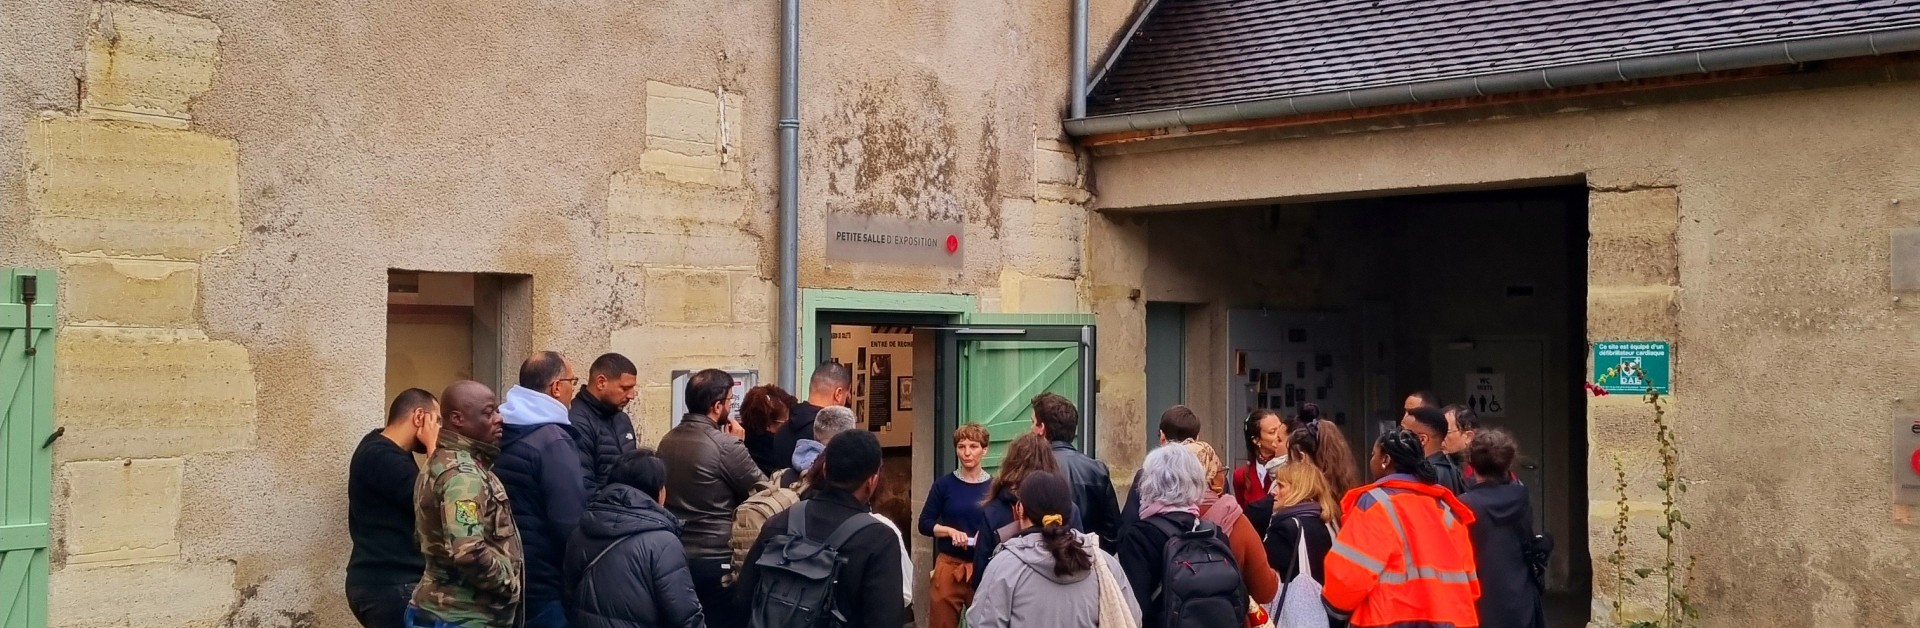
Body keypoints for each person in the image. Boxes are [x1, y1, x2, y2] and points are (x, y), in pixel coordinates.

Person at [737, 431, 904, 628]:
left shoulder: (780, 521)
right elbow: (885, 620)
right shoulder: (879, 540)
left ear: (824, 469)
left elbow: (742, 599)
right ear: (872, 482)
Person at [1322, 430, 1479, 628]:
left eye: (1373, 454)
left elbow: (1347, 577)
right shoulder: (1446, 510)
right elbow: (1470, 584)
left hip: (1387, 619)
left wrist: (1333, 613)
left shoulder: (1375, 504)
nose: (1371, 460)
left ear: (1385, 460)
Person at [411, 380, 523, 628]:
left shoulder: (441, 461)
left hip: (442, 612)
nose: (499, 418)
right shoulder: (464, 475)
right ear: (457, 419)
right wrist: (509, 584)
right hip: (464, 616)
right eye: (488, 412)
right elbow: (469, 552)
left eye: (496, 410)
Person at [657, 368, 764, 627]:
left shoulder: (666, 440)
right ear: (717, 406)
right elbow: (761, 489)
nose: (731, 406)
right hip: (716, 556)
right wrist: (740, 445)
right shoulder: (726, 445)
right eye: (730, 401)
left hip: (676, 552)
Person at [967, 470, 1141, 628]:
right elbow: (1131, 618)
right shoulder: (1104, 564)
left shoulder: (1004, 568)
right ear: (1069, 511)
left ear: (1020, 509)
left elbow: (981, 623)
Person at [496, 352, 589, 628]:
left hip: (507, 571)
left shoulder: (502, 427)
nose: (574, 389)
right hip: (545, 580)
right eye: (572, 381)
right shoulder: (553, 441)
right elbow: (568, 520)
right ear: (556, 387)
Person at [563, 449, 704, 628]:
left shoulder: (580, 532)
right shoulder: (664, 544)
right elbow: (686, 617)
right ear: (659, 492)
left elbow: (569, 599)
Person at [1117, 444, 1245, 627]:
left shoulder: (1139, 537)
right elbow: (1240, 600)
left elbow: (1135, 612)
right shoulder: (1214, 534)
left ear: (1149, 482)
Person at [347, 389, 439, 628]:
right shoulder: (381, 456)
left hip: (385, 584)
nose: (440, 429)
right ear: (420, 417)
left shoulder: (382, 449)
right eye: (436, 420)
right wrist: (433, 449)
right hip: (392, 584)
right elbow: (431, 500)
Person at [971, 432, 1082, 588]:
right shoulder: (1069, 509)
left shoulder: (993, 511)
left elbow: (980, 578)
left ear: (1011, 463)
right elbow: (1079, 562)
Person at [1458, 429, 1544, 628]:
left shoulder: (1465, 505)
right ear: (1509, 462)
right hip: (1521, 595)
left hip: (1481, 599)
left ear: (1470, 461)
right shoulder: (1521, 496)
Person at [1180, 439, 1279, 607]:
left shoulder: (1160, 518)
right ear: (1209, 476)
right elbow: (1265, 591)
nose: (1223, 476)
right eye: (1219, 470)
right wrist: (1275, 575)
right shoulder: (1234, 519)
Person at [918, 423, 993, 628]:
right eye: (961, 446)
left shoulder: (995, 487)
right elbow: (924, 524)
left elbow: (1004, 525)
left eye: (973, 446)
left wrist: (986, 537)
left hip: (984, 567)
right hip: (949, 567)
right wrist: (949, 531)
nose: (967, 452)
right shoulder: (944, 485)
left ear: (984, 449)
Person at [1032, 392, 1121, 548]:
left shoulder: (1030, 467)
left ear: (1042, 428)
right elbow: (1112, 533)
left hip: (1039, 561)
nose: (1030, 428)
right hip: (1085, 561)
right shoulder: (1097, 470)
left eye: (1033, 422)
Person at [1262, 460, 1339, 627]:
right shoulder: (1329, 524)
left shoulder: (1285, 530)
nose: (1274, 492)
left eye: (1281, 486)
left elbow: (1264, 578)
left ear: (1299, 489)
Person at [1122, 405, 1204, 525]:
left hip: (1155, 539)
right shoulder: (1216, 477)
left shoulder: (1148, 475)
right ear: (1197, 438)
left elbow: (1128, 522)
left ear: (1162, 436)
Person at [571, 353, 640, 496]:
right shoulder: (576, 421)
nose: (631, 395)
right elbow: (583, 485)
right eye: (625, 388)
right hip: (600, 514)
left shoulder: (622, 419)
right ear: (601, 382)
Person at [771, 362, 851, 473]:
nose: (846, 401)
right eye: (847, 396)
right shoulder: (835, 436)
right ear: (838, 393)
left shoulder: (782, 431)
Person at [1286, 419, 1362, 503]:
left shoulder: (1304, 502)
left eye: (1290, 461)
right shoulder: (1347, 491)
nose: (1289, 467)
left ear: (1302, 458)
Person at [1400, 406, 1466, 495]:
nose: (1398, 437)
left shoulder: (1426, 475)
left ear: (1422, 439)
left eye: (1403, 432)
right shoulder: (1453, 470)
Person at [1232, 409, 1287, 509]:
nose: (1279, 435)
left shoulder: (1292, 469)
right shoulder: (1240, 476)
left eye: (1280, 429)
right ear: (1256, 440)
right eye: (1272, 432)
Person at [740, 384, 798, 475]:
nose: (789, 425)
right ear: (768, 425)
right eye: (786, 421)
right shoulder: (778, 456)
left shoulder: (740, 450)